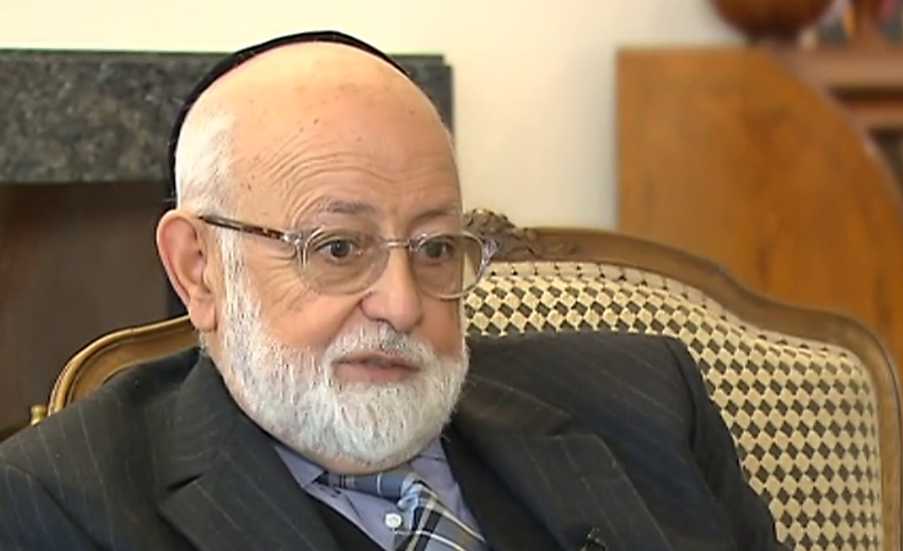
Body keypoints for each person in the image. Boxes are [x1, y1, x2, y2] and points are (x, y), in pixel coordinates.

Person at [0, 31, 788, 551]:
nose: (404, 305)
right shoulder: (63, 502)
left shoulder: (644, 402)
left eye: (436, 248)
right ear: (200, 268)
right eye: (338, 248)